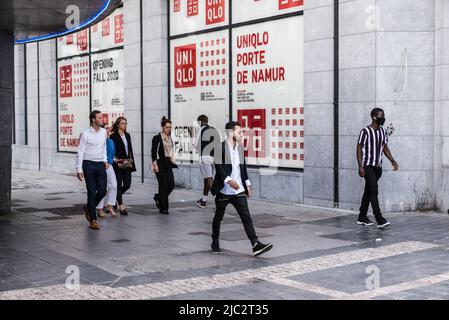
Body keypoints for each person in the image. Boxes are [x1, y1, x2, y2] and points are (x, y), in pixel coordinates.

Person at [210, 121, 273, 257]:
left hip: (239, 190)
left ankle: (255, 244)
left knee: (246, 216)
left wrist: (247, 184)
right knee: (218, 217)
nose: (242, 134)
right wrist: (228, 180)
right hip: (224, 190)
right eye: (239, 132)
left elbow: (242, 168)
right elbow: (219, 166)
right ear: (231, 133)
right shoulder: (219, 147)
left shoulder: (240, 148)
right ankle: (215, 241)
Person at [356, 107, 399, 229]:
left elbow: (385, 148)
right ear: (374, 117)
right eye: (381, 116)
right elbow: (359, 148)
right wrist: (360, 166)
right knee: (374, 190)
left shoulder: (382, 131)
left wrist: (392, 160)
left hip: (377, 167)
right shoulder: (365, 131)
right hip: (367, 165)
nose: (383, 118)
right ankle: (379, 219)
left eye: (383, 115)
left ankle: (362, 216)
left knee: (368, 191)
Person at [76, 110, 108, 230]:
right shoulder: (85, 134)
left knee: (102, 191)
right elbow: (80, 151)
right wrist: (79, 169)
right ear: (93, 119)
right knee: (91, 191)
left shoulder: (104, 132)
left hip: (100, 164)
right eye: (99, 118)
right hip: (88, 164)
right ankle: (93, 220)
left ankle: (89, 207)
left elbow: (104, 147)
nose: (102, 119)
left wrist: (105, 160)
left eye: (102, 117)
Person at [151, 117, 178, 215]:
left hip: (168, 163)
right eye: (167, 127)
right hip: (160, 164)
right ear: (162, 127)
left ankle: (159, 197)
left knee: (171, 185)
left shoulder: (171, 138)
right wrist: (155, 165)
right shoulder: (157, 138)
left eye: (170, 127)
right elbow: (153, 152)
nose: (169, 129)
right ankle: (164, 208)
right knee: (163, 186)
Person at [110, 117, 136, 216]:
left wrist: (132, 163)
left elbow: (130, 150)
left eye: (125, 123)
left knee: (127, 184)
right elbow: (111, 150)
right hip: (117, 162)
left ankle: (116, 197)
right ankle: (121, 206)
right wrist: (115, 159)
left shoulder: (128, 135)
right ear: (117, 125)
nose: (124, 125)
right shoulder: (113, 136)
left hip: (127, 162)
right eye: (122, 123)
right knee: (118, 185)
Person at [193, 114, 220, 209]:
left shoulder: (201, 129)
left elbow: (195, 144)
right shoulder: (214, 129)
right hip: (213, 157)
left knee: (209, 180)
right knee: (207, 179)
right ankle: (203, 201)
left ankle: (218, 202)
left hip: (205, 157)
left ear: (200, 122)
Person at [96, 123, 118, 218]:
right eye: (106, 128)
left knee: (114, 185)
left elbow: (112, 154)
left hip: (109, 165)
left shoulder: (111, 141)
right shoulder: (100, 141)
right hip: (100, 165)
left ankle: (110, 205)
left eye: (109, 128)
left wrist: (115, 160)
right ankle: (100, 209)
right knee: (101, 188)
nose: (108, 129)